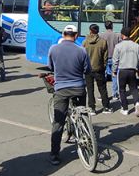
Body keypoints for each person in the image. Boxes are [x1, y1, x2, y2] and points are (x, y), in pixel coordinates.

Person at [47, 24, 90, 165]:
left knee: (58, 122)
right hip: (78, 87)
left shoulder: (53, 49)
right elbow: (87, 69)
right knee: (82, 113)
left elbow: (50, 67)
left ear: (63, 34)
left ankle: (54, 155)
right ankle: (84, 132)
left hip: (61, 89)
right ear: (76, 35)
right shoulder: (82, 50)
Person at [112, 28, 139, 116]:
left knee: (122, 90)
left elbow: (115, 60)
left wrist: (114, 71)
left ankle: (125, 109)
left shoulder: (118, 46)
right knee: (133, 88)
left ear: (122, 35)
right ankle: (137, 102)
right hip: (132, 71)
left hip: (122, 70)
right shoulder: (136, 45)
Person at [83, 24, 110, 112]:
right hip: (99, 68)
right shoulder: (103, 42)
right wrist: (104, 66)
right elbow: (105, 57)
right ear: (98, 31)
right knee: (102, 88)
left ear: (90, 31)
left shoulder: (85, 42)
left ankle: (92, 108)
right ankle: (106, 106)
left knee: (90, 89)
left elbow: (82, 56)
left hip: (88, 69)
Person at [101, 20, 121, 103]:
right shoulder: (117, 35)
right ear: (112, 26)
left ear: (105, 26)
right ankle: (115, 94)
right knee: (114, 76)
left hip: (104, 58)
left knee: (103, 77)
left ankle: (103, 94)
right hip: (114, 58)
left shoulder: (101, 35)